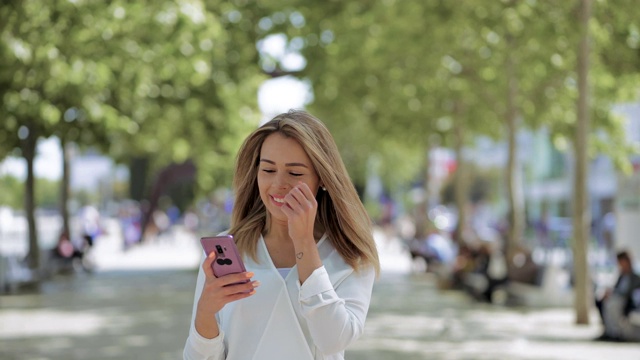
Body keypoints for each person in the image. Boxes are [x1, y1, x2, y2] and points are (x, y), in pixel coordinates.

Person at [183, 110, 380, 360]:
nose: (278, 184)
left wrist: (304, 244)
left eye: (295, 173)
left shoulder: (352, 256)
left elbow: (333, 340)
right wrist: (205, 312)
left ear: (322, 178)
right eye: (268, 170)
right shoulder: (230, 252)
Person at [594, 250, 640, 342]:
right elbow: (615, 288)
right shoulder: (621, 276)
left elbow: (631, 293)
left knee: (612, 304)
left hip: (627, 301)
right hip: (616, 299)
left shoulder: (635, 277)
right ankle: (609, 331)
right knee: (604, 301)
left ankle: (615, 332)